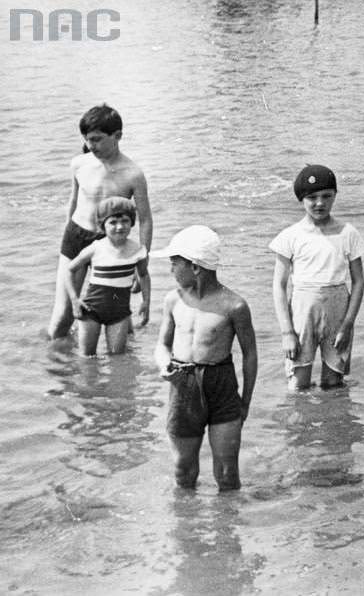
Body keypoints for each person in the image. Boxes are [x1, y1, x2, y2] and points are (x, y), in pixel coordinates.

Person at [152, 225, 257, 490]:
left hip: (221, 384)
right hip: (184, 383)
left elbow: (250, 355)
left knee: (227, 473)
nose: (171, 270)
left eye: (174, 263)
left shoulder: (234, 305)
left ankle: (228, 516)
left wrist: (245, 402)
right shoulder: (173, 300)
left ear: (195, 267)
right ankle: (188, 516)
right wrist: (164, 365)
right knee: (183, 471)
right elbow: (162, 345)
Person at [49, 104, 153, 340]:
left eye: (96, 139)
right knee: (63, 314)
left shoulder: (133, 174)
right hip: (76, 236)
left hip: (112, 245)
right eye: (87, 139)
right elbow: (73, 202)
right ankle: (56, 358)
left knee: (118, 313)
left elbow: (145, 219)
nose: (90, 145)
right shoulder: (79, 164)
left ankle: (125, 360)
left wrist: (142, 263)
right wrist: (65, 239)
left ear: (117, 136)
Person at [270, 164, 364, 391]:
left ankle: (333, 412)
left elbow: (359, 281)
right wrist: (287, 332)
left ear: (335, 195)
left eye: (326, 196)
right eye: (312, 198)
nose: (320, 203)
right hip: (303, 310)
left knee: (333, 381)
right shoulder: (290, 236)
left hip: (338, 309)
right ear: (301, 200)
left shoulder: (348, 233)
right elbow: (279, 285)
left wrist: (348, 324)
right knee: (298, 382)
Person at [64, 197, 150, 356]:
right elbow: (69, 270)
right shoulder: (96, 248)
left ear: (132, 222)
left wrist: (146, 302)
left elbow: (144, 275)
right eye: (113, 222)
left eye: (125, 221)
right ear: (102, 225)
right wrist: (74, 300)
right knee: (87, 358)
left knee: (117, 358)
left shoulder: (138, 250)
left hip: (120, 314)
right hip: (91, 311)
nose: (120, 226)